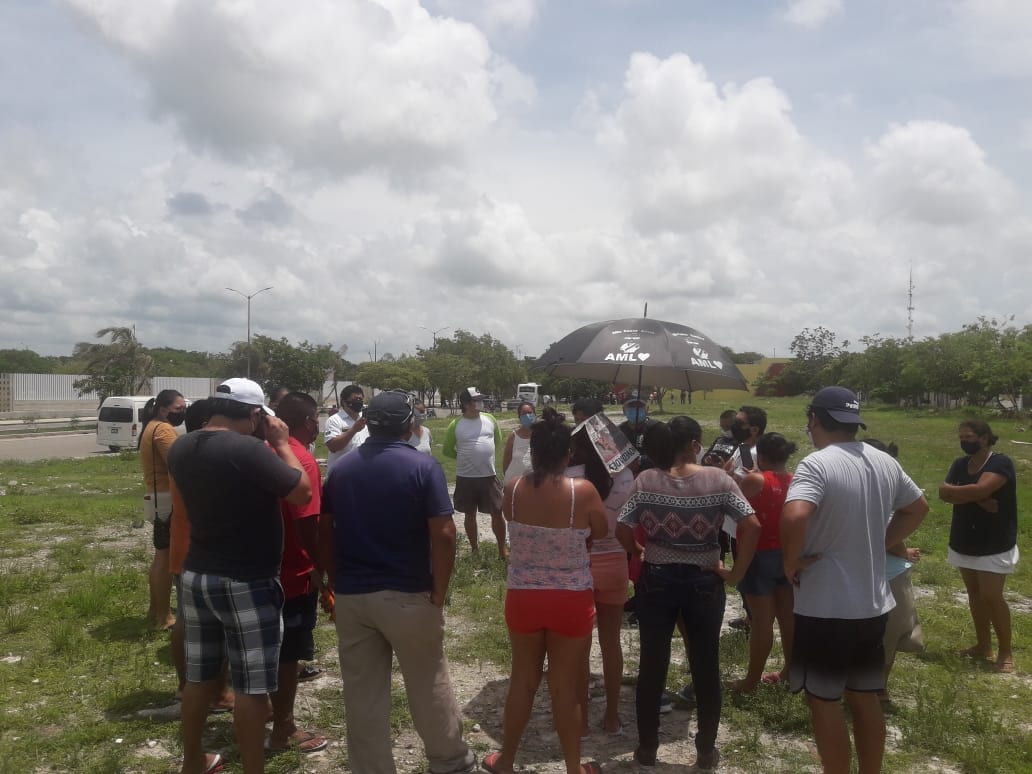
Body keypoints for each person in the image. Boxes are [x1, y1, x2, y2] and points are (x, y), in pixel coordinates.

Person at [322, 391, 476, 774]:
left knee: (363, 694)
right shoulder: (422, 467)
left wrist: (335, 580)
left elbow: (323, 530)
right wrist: (438, 590)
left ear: (368, 422)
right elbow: (443, 534)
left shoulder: (341, 470)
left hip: (355, 596)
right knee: (428, 683)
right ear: (410, 424)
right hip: (409, 593)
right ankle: (450, 763)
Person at [782, 387, 928, 774]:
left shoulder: (816, 464)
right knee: (864, 696)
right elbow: (918, 508)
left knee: (823, 700)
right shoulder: (883, 461)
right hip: (872, 603)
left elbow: (795, 516)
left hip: (825, 605)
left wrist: (790, 561)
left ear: (814, 419)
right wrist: (880, 543)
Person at [169, 378, 312, 774]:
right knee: (252, 686)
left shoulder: (182, 446)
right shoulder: (247, 448)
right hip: (247, 579)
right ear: (255, 414)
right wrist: (282, 444)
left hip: (198, 574)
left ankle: (193, 762)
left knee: (199, 679)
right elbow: (301, 492)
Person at [617, 416, 761, 771]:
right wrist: (736, 573)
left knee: (653, 663)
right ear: (695, 444)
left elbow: (622, 527)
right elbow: (752, 525)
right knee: (705, 665)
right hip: (704, 580)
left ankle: (648, 748)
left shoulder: (646, 480)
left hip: (656, 579)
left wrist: (639, 551)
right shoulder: (718, 479)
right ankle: (705, 751)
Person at [484, 408, 607, 774]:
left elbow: (512, 522)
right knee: (564, 687)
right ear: (569, 455)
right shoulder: (582, 492)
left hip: (523, 596)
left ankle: (505, 760)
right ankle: (573, 768)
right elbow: (599, 531)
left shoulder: (513, 488)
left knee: (522, 681)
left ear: (532, 454)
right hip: (570, 598)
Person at [566, 417, 636, 737]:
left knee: (580, 646)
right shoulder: (626, 477)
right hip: (616, 563)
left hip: (580, 565)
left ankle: (579, 715)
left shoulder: (568, 479)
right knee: (612, 643)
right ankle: (611, 715)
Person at [268, 392, 328, 754]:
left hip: (257, 568)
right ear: (309, 422)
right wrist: (323, 567)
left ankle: (260, 711)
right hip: (293, 574)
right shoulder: (302, 460)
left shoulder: (260, 451)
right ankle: (284, 728)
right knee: (287, 656)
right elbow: (309, 525)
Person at [168, 399, 234, 713]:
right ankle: (216, 692)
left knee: (185, 619)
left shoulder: (182, 450)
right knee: (213, 627)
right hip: (202, 549)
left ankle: (186, 687)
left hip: (183, 545)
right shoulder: (207, 454)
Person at [939, 419, 1019, 674]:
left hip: (994, 541)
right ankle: (984, 645)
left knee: (991, 596)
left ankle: (1005, 651)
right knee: (974, 594)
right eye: (962, 436)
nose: (965, 441)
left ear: (984, 437)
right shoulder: (960, 464)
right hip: (964, 538)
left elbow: (979, 487)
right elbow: (943, 492)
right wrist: (979, 499)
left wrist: (969, 493)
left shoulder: (1000, 463)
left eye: (969, 436)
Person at [727, 432, 797, 693]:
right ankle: (790, 672)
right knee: (788, 619)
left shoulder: (755, 479)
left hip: (757, 555)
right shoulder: (795, 479)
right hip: (786, 553)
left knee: (762, 621)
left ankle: (751, 681)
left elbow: (733, 505)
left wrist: (733, 477)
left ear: (762, 456)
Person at [863, 439, 924, 702]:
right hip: (889, 573)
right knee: (890, 635)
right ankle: (878, 689)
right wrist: (901, 550)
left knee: (877, 635)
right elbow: (890, 528)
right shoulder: (889, 483)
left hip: (876, 572)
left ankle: (871, 688)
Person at [139, 389, 186, 630]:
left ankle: (155, 609)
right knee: (165, 558)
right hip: (166, 497)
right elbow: (179, 463)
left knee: (161, 556)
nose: (182, 411)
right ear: (163, 409)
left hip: (158, 496)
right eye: (178, 408)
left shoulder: (153, 426)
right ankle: (164, 616)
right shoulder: (164, 430)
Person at [443, 388, 507, 558]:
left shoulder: (490, 419)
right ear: (465, 403)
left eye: (480, 399)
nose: (480, 403)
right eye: (476, 400)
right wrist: (465, 458)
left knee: (497, 512)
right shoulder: (455, 424)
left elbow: (497, 440)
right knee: (469, 514)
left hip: (488, 476)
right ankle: (474, 550)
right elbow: (448, 450)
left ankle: (502, 550)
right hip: (466, 477)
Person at [324, 385, 369, 470]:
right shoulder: (334, 420)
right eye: (355, 399)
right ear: (344, 402)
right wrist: (353, 430)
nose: (358, 402)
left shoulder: (365, 419)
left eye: (360, 399)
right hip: (341, 474)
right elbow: (333, 447)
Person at [502, 401, 535, 483]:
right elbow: (506, 462)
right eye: (523, 413)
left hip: (534, 485)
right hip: (514, 484)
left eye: (529, 413)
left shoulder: (541, 436)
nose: (527, 415)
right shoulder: (513, 437)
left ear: (534, 414)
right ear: (519, 416)